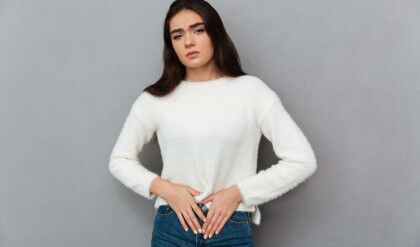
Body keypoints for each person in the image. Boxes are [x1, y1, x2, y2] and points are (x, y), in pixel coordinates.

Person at [108, 0, 317, 246]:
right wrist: (166, 189)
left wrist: (239, 193)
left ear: (215, 33)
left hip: (230, 225)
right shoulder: (156, 99)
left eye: (198, 30)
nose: (188, 42)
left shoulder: (251, 92)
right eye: (178, 35)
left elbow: (302, 160)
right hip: (172, 226)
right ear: (171, 45)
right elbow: (119, 160)